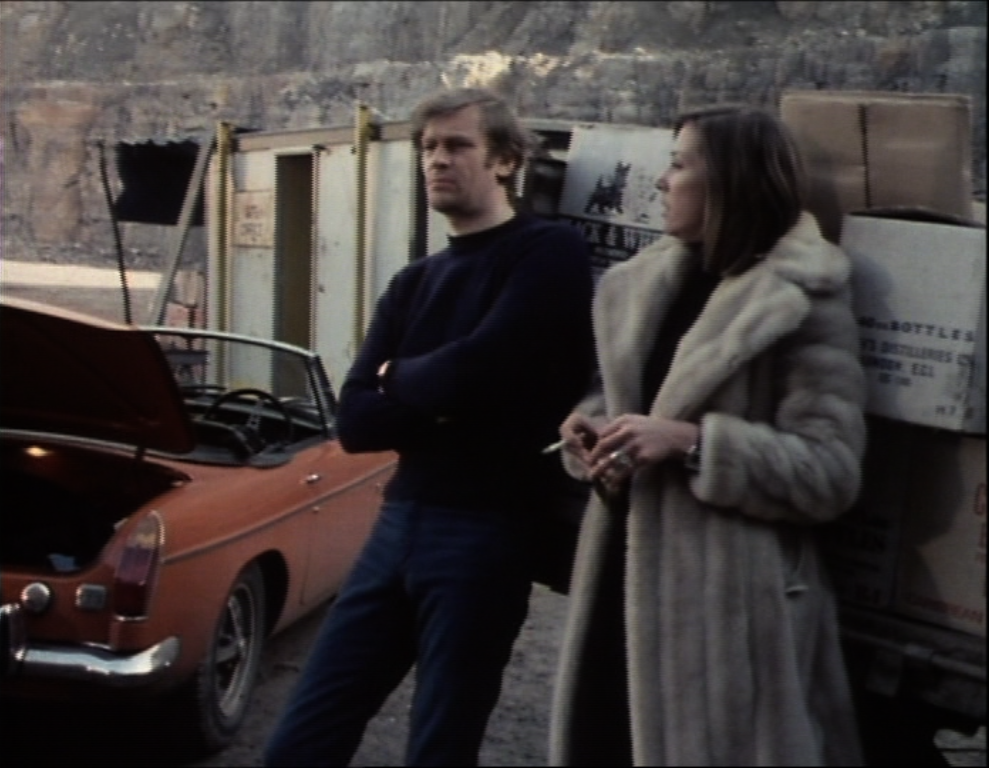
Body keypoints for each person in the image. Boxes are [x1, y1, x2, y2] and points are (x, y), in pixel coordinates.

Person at [264, 87, 595, 767]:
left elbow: (478, 371)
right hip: (398, 519)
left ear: (505, 160)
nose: (437, 161)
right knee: (303, 738)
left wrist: (399, 377)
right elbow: (354, 420)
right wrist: (443, 395)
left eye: (457, 145)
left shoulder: (546, 252)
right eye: (428, 148)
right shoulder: (414, 283)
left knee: (441, 743)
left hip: (487, 532)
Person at [548, 105, 868, 767]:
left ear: (727, 181)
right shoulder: (640, 286)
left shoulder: (802, 297)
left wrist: (696, 443)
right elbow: (619, 403)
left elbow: (830, 472)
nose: (661, 182)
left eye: (678, 164)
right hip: (621, 590)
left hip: (725, 626)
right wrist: (592, 436)